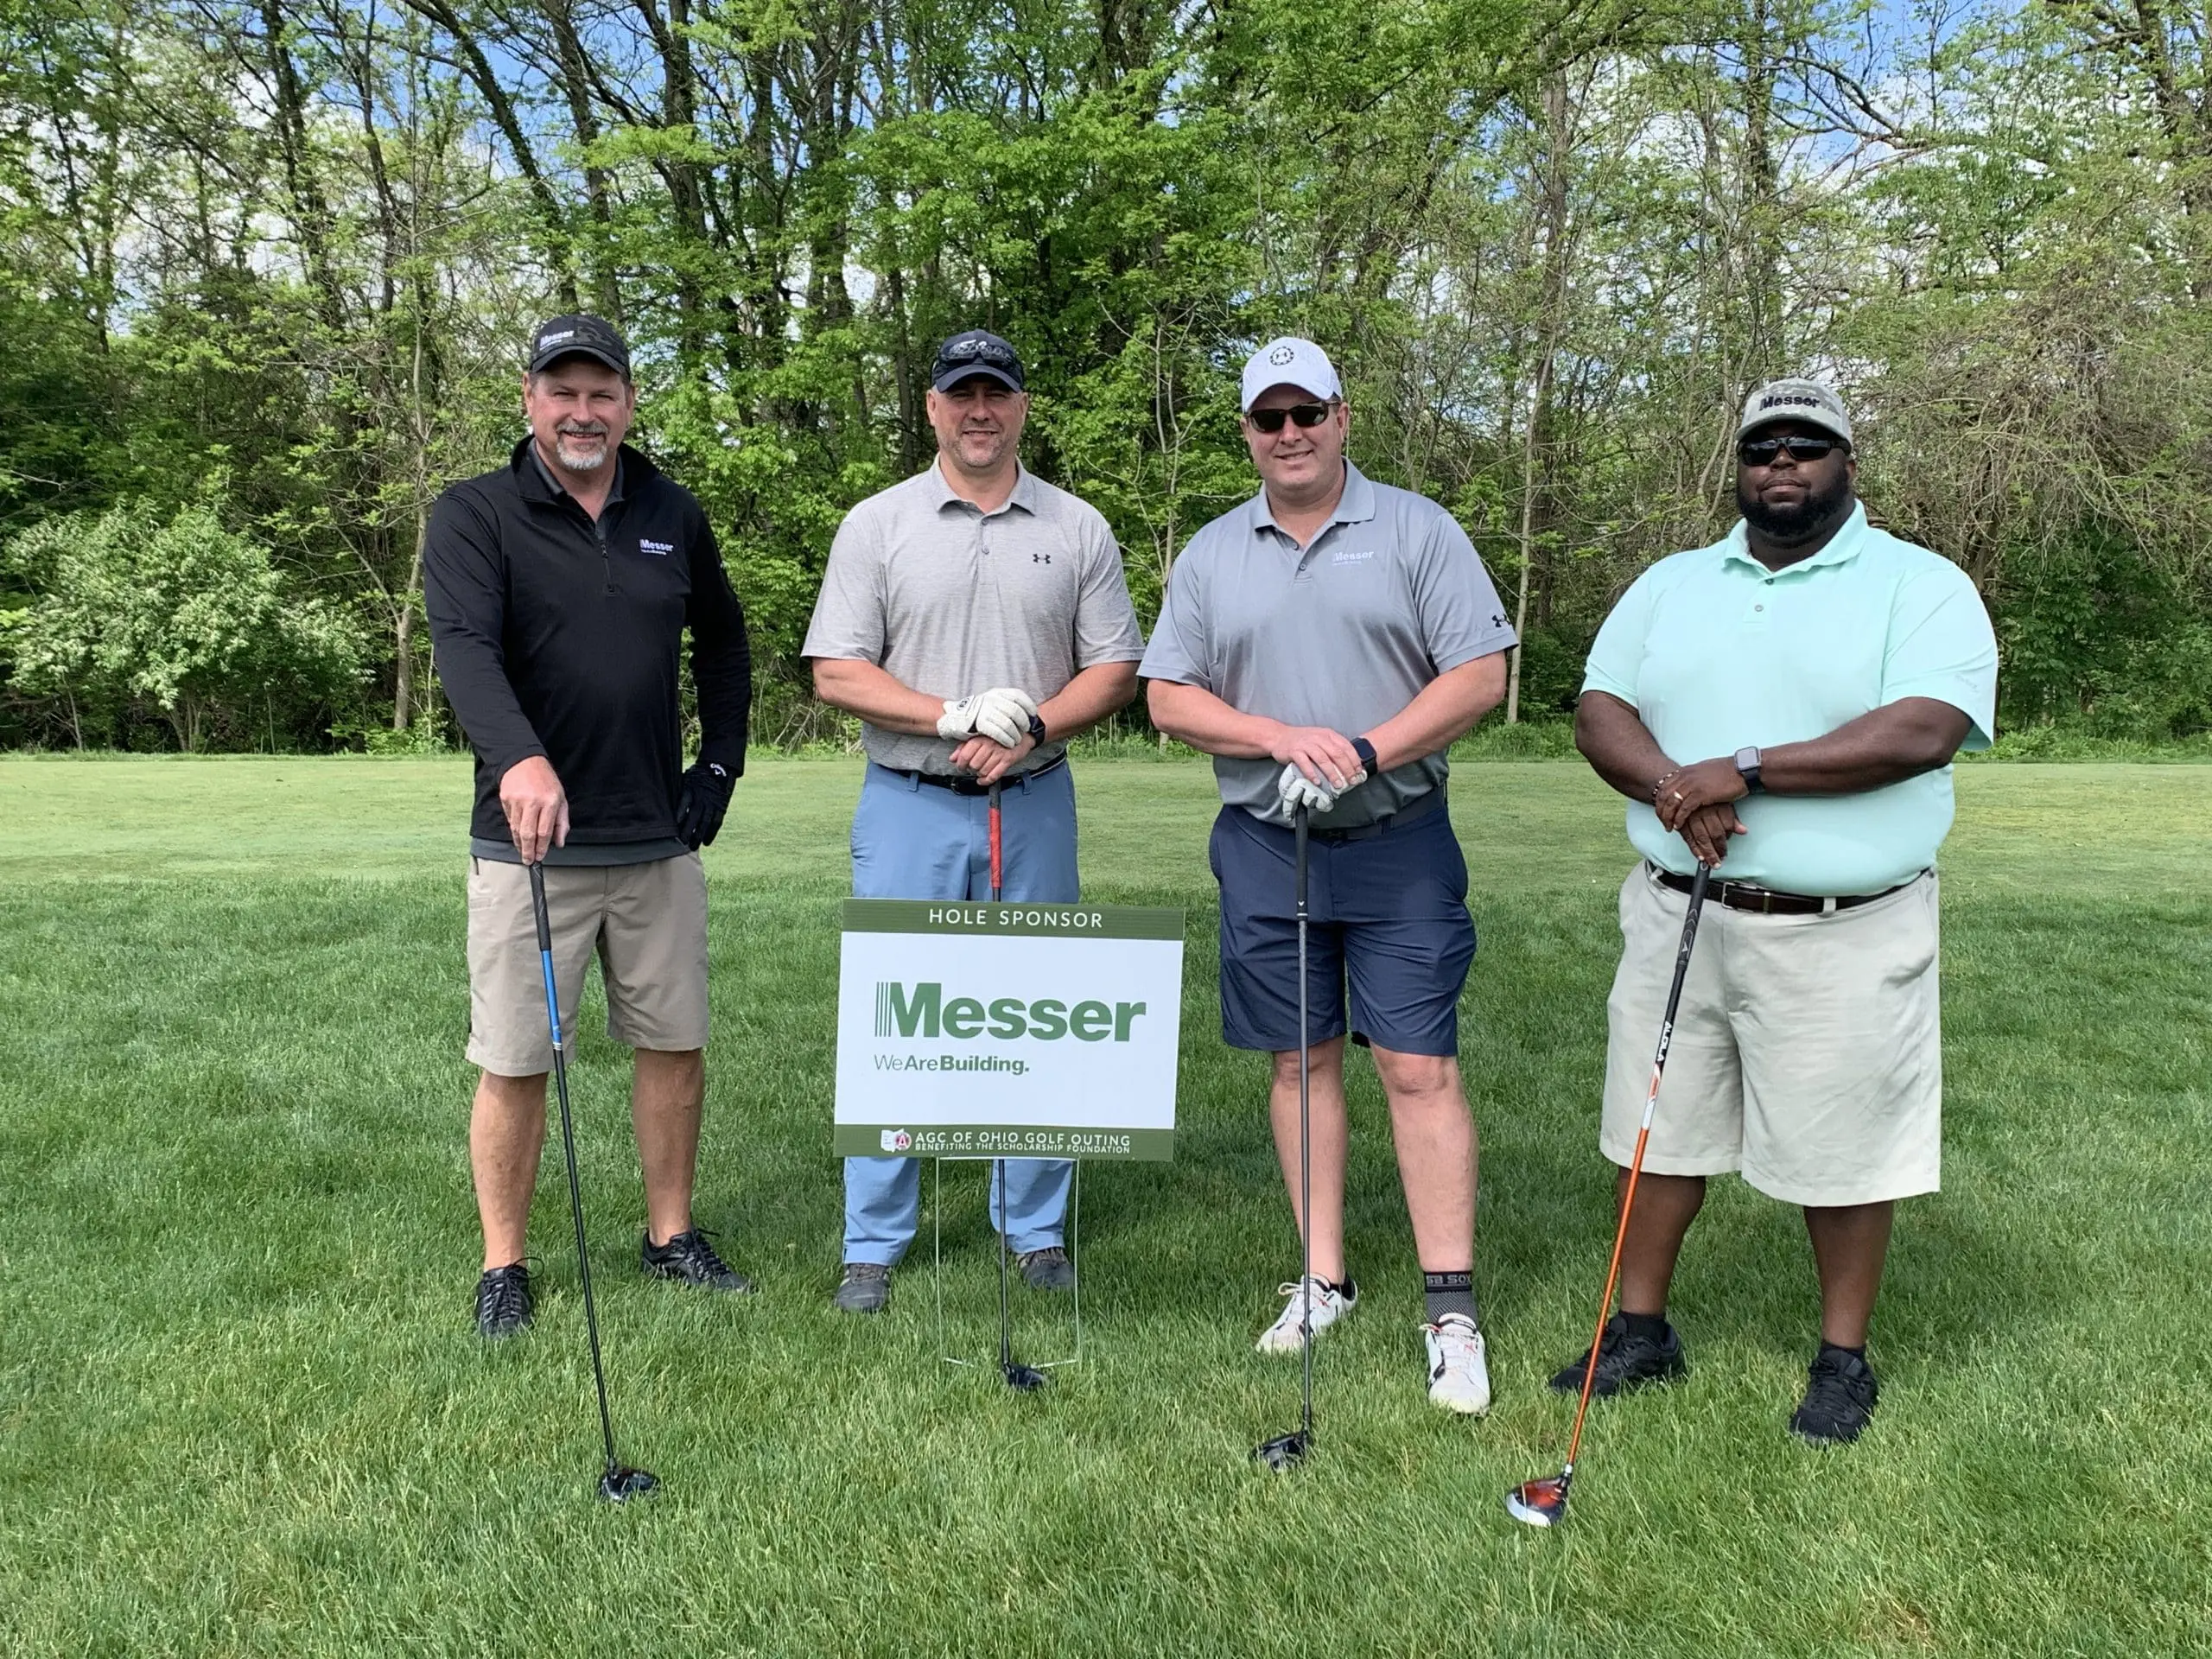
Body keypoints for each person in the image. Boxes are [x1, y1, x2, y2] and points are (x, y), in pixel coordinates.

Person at [1558, 377, 1998, 1443]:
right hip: (1681, 909)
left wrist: (1741, 771)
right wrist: (1677, 788)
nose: (1782, 464)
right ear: (1740, 466)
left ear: (1847, 463)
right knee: (1655, 1128)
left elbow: (1922, 729)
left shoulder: (1918, 582)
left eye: (1806, 446)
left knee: (1842, 1149)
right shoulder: (1671, 582)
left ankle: (1842, 1358)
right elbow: (1599, 707)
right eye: (1763, 448)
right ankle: (1641, 1330)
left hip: (1844, 922)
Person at [1142, 337, 1517, 1414]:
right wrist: (1276, 736)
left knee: (1416, 1067)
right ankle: (1324, 1277)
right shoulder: (1214, 554)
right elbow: (1169, 697)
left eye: (1309, 413)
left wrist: (1362, 749)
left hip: (1396, 837)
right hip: (1265, 845)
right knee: (1298, 1064)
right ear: (1249, 434)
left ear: (1343, 418)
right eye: (1271, 418)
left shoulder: (1414, 528)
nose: (1291, 433)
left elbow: (1478, 675)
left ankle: (1450, 1308)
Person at [425, 314, 757, 1339]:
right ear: (529, 398)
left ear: (627, 401)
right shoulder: (476, 514)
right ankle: (504, 1264)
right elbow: (465, 650)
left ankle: (669, 1235)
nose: (583, 412)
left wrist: (719, 769)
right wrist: (521, 759)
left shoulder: (671, 511)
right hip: (527, 845)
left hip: (656, 841)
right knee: (518, 1058)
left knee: (675, 1045)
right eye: (562, 391)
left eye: (601, 392)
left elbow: (728, 652)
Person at [803, 327, 1145, 1313]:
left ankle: (1032, 1228)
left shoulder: (1076, 526)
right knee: (897, 1020)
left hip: (1034, 799)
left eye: (997, 391)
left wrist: (1033, 721)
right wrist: (948, 714)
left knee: (1037, 1019)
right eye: (962, 394)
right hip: (910, 801)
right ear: (932, 407)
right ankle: (873, 1240)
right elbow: (836, 669)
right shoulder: (878, 524)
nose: (980, 409)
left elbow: (1115, 670)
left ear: (1022, 405)